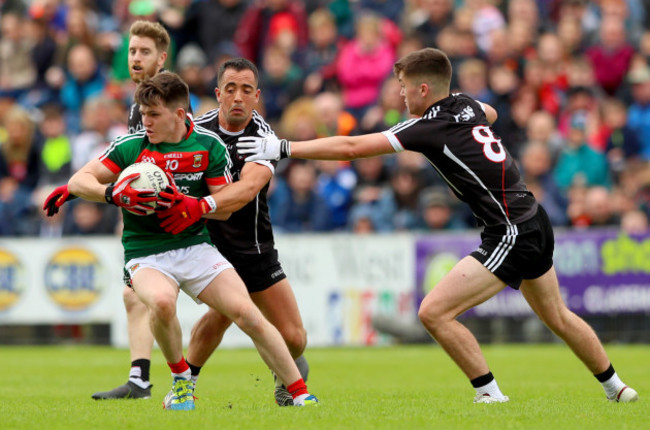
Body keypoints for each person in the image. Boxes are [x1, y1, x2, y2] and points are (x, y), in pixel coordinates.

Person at [237, 47, 639, 404]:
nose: (401, 93)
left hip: (510, 229)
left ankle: (490, 395)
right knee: (558, 316)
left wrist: (283, 148)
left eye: (404, 86)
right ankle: (617, 388)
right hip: (533, 216)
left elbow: (352, 147)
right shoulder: (465, 104)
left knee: (433, 312)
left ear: (424, 90)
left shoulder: (427, 127)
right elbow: (491, 114)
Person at [64, 71, 317, 410]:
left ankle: (300, 393)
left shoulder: (207, 146)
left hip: (196, 246)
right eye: (142, 113)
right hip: (146, 253)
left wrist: (192, 207)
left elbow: (224, 207)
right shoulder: (132, 145)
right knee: (164, 303)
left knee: (247, 313)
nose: (145, 121)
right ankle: (182, 382)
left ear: (179, 114)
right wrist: (113, 194)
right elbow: (79, 181)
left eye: (153, 114)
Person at [43, 20, 175, 400]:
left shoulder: (168, 98)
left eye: (145, 52)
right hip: (148, 217)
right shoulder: (139, 101)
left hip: (177, 216)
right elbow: (130, 163)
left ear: (161, 57)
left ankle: (183, 379)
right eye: (132, 51)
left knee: (220, 305)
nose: (135, 58)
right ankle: (141, 380)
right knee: (135, 296)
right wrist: (77, 190)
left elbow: (172, 157)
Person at [174, 57, 312, 406]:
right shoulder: (194, 131)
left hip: (253, 247)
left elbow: (247, 190)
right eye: (231, 89)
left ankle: (284, 371)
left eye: (246, 90)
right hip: (208, 246)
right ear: (218, 93)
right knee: (224, 315)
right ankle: (184, 387)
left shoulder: (263, 138)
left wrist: (199, 205)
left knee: (294, 338)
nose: (238, 97)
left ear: (257, 96)